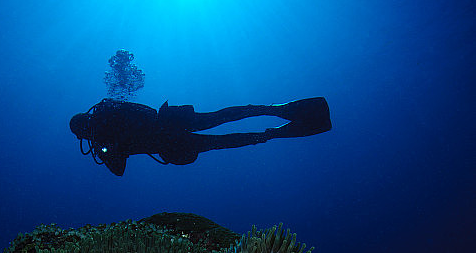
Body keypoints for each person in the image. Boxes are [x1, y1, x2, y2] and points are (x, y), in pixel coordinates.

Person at [70, 97, 332, 176]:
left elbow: (118, 170)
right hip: (170, 124)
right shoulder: (107, 111)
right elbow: (142, 111)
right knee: (219, 117)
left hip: (168, 141)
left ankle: (270, 134)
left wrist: (103, 149)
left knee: (219, 140)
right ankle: (272, 110)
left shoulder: (101, 138)